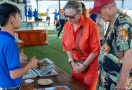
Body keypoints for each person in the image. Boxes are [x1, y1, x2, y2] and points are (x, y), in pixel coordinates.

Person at [90, 0, 132, 90]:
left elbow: (129, 53)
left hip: (117, 83)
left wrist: (122, 81)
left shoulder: (123, 22)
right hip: (108, 79)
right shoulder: (114, 21)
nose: (99, 16)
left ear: (109, 7)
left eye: (100, 12)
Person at [62, 1, 100, 90]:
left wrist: (84, 66)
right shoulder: (67, 25)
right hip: (75, 64)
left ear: (79, 14)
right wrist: (72, 62)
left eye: (71, 16)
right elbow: (66, 46)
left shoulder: (91, 25)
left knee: (88, 88)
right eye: (66, 16)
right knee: (75, 87)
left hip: (89, 65)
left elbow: (95, 49)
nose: (68, 19)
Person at [0, 3, 39, 89]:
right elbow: (14, 74)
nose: (20, 20)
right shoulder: (10, 42)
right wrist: (30, 64)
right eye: (19, 17)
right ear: (12, 20)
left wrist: (19, 61)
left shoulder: (2, 37)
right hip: (10, 87)